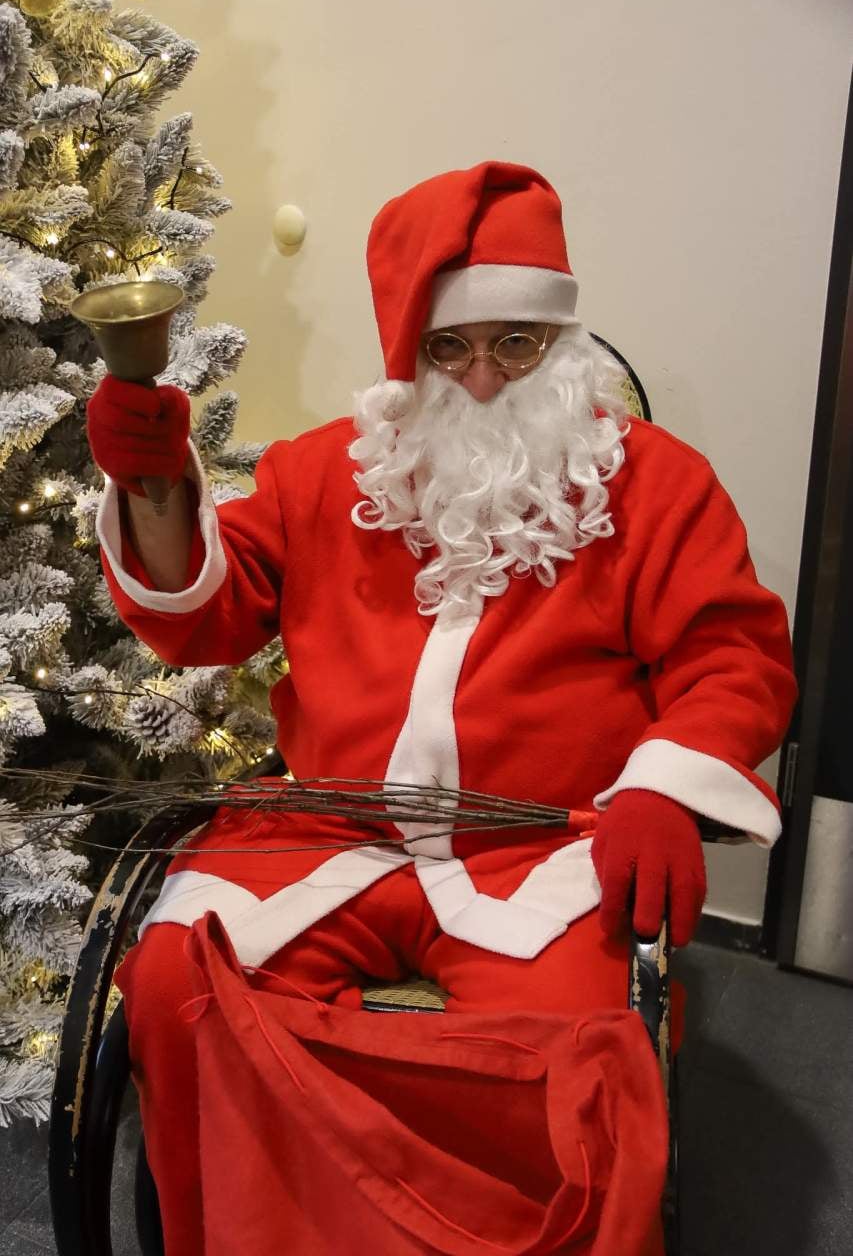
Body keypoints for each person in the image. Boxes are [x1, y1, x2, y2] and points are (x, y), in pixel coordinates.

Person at [88, 162, 796, 1255]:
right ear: (405, 354)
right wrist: (155, 487)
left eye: (515, 343)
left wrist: (661, 786)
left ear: (562, 341)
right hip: (329, 829)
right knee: (183, 976)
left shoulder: (655, 484)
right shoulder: (326, 474)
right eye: (447, 348)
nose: (480, 377)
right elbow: (205, 613)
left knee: (577, 1056)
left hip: (539, 852)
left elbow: (731, 655)